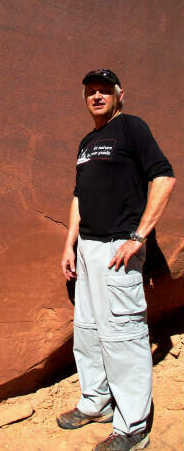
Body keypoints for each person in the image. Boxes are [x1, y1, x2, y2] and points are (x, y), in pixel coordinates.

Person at [57, 69, 176, 451]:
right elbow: (79, 196)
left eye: (104, 91)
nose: (96, 96)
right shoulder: (87, 142)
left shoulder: (132, 129)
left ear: (119, 95)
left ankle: (133, 425)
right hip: (88, 250)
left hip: (118, 248)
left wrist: (138, 236)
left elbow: (164, 177)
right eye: (90, 91)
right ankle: (96, 402)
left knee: (124, 336)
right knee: (88, 332)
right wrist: (69, 245)